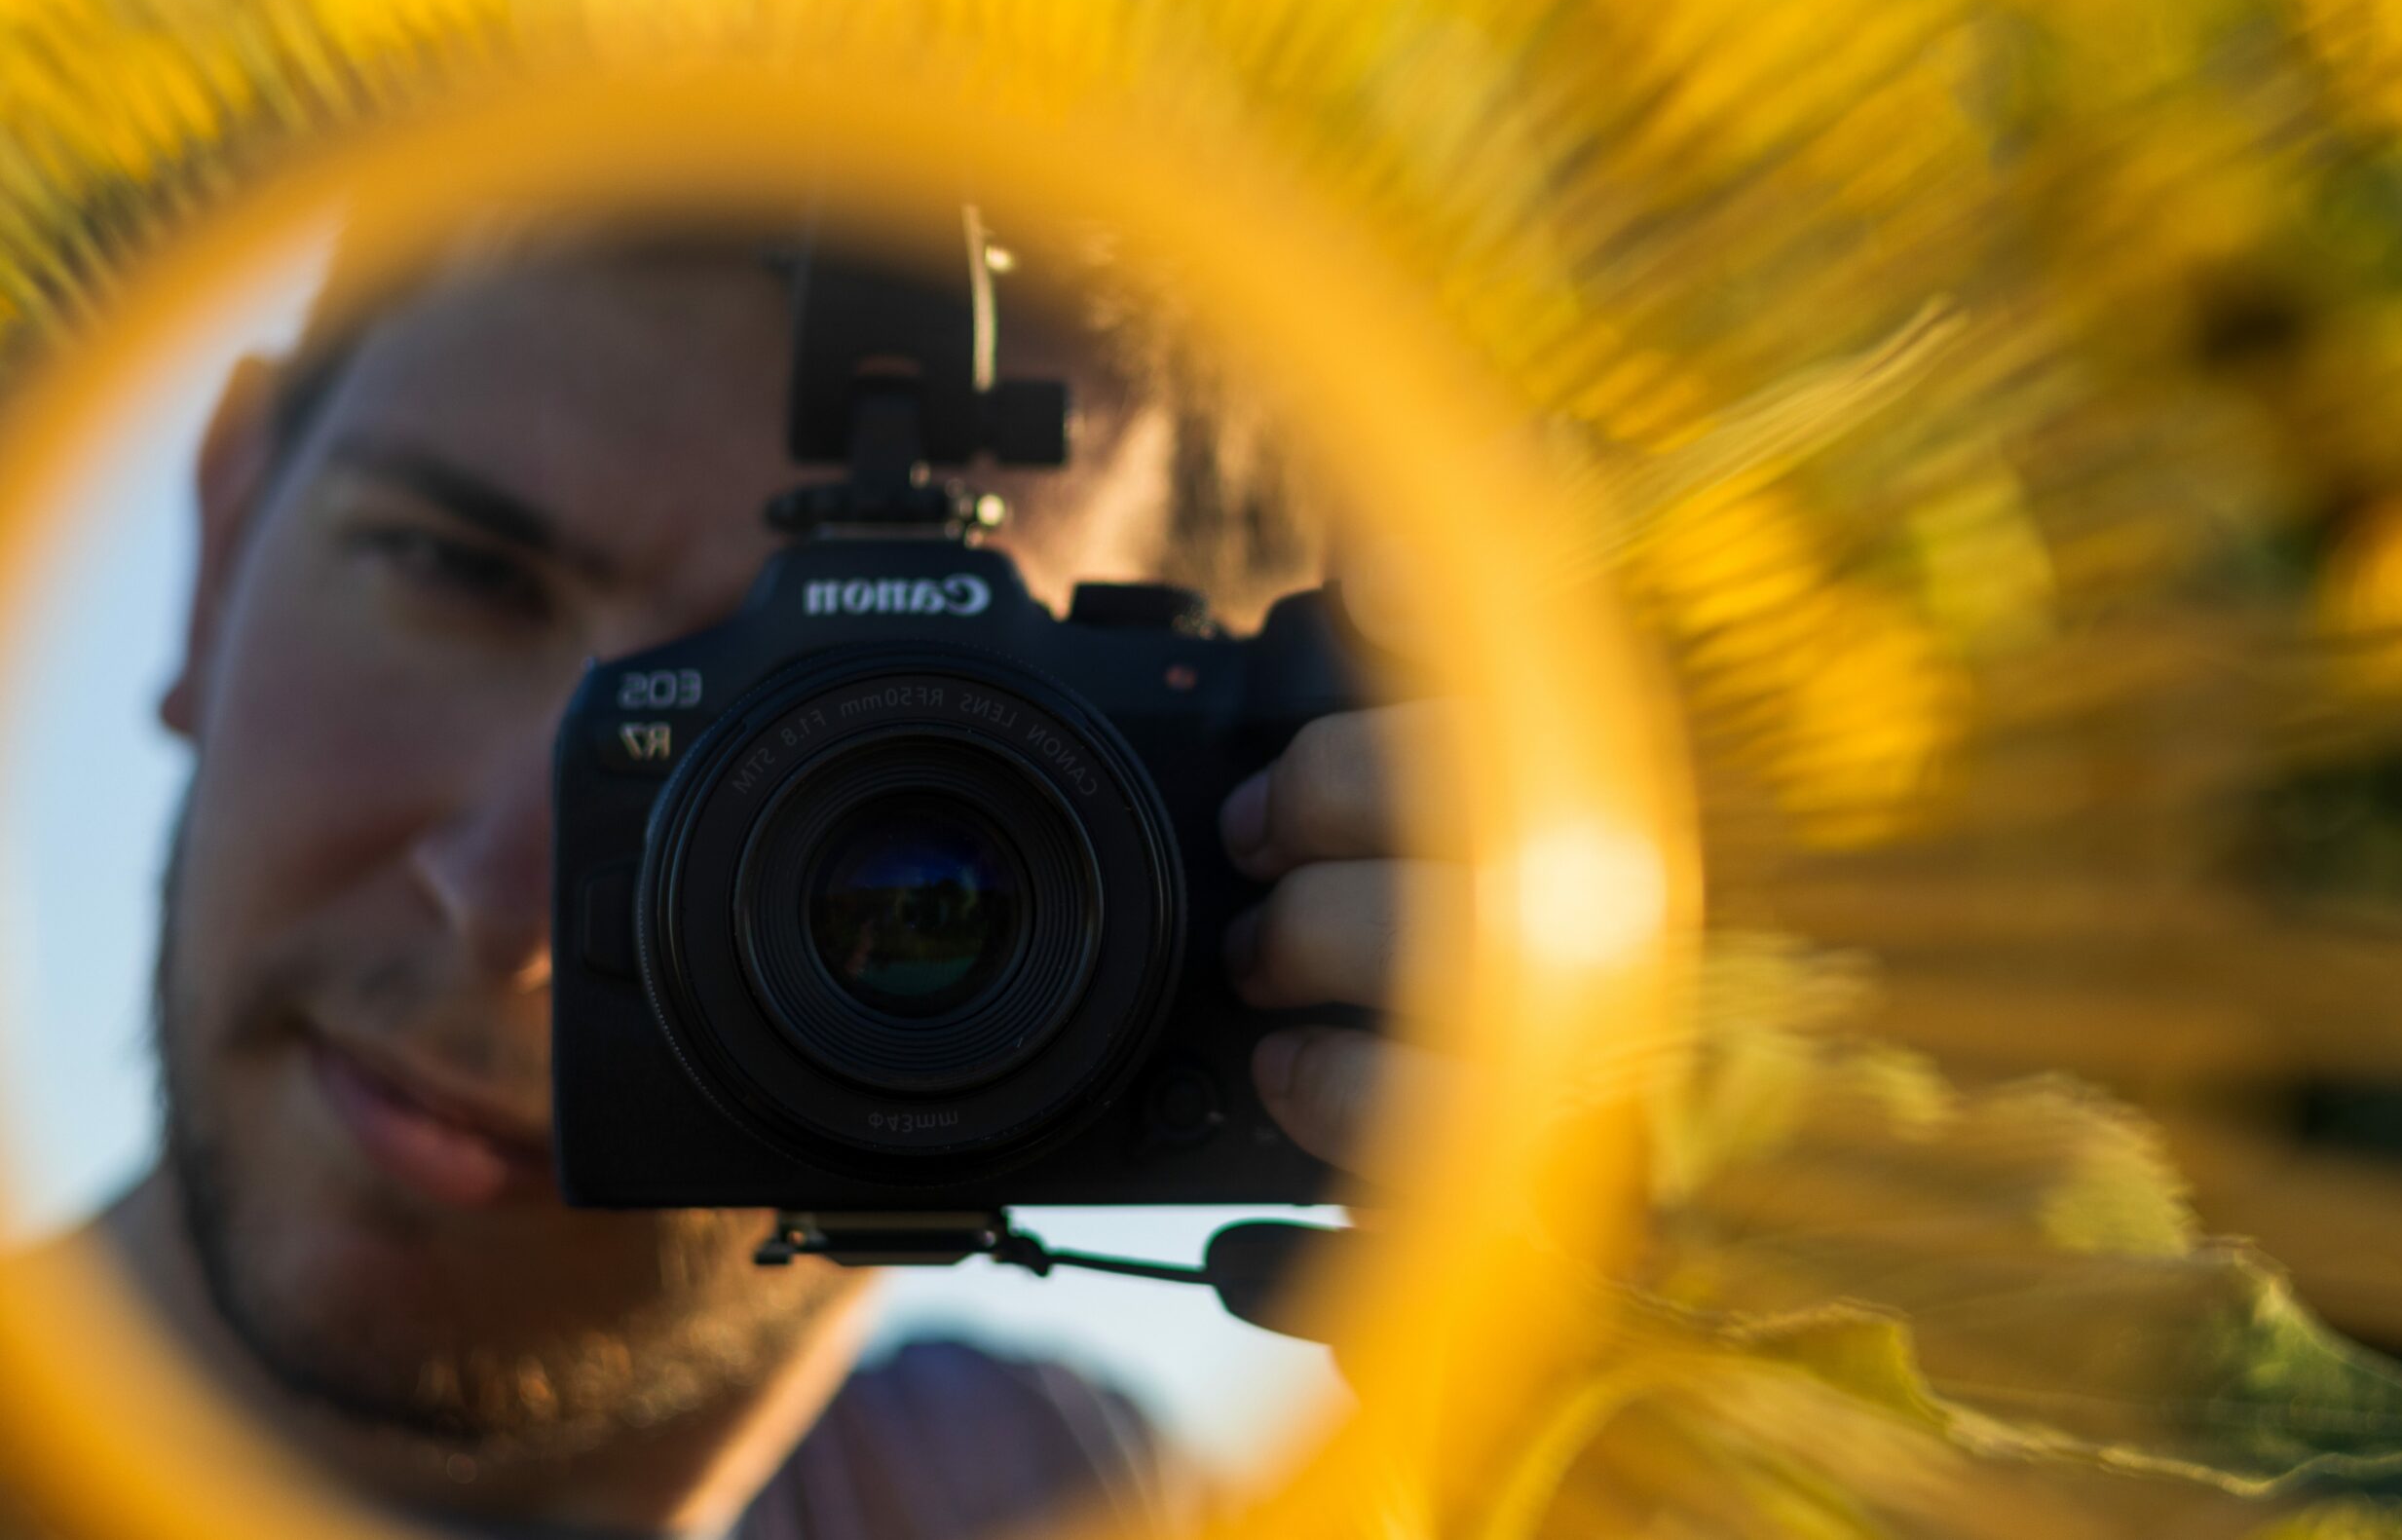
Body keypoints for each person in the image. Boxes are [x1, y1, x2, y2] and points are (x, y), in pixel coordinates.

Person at [69, 231, 1459, 1538]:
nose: (512, 913)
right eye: (456, 569)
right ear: (226, 534)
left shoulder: (1082, 1496)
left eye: (858, 757)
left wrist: (1603, 1384)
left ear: (1233, 825)